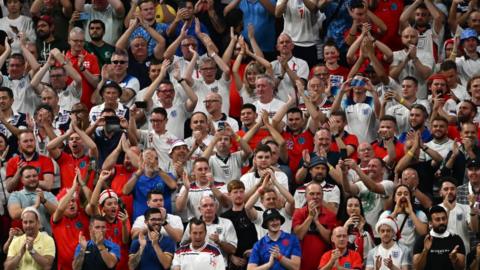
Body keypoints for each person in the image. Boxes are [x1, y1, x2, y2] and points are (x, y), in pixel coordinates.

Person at [292, 182, 339, 270]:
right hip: (302, 263)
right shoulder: (299, 213)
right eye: (312, 194)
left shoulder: (330, 215)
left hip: (324, 264)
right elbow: (299, 236)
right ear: (305, 196)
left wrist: (316, 222)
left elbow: (330, 240)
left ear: (322, 196)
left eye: (318, 194)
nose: (315, 197)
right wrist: (310, 217)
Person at [7, 165, 57, 234]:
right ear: (21, 180)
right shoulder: (16, 195)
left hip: (48, 238)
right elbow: (14, 214)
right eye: (28, 177)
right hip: (24, 239)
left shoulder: (48, 194)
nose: (32, 179)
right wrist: (35, 206)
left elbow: (58, 213)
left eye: (34, 176)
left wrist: (44, 201)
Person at [413, 205, 466, 270]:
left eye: (444, 218)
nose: (442, 222)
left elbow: (461, 268)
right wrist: (425, 251)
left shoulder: (456, 239)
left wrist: (455, 260)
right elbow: (417, 268)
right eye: (437, 219)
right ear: (430, 223)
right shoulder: (423, 240)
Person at [379, 184, 428, 251]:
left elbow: (423, 233)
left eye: (406, 194)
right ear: (394, 198)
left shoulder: (420, 214)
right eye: (399, 194)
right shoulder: (386, 214)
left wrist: (411, 213)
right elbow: (382, 232)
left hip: (411, 256)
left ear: (410, 198)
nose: (403, 196)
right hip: (392, 255)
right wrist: (395, 213)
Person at [340, 195, 375, 261]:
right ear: (345, 208)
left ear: (360, 208)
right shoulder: (339, 225)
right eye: (350, 205)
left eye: (356, 206)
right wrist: (345, 227)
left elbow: (372, 247)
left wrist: (361, 230)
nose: (353, 208)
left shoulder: (367, 227)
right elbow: (336, 245)